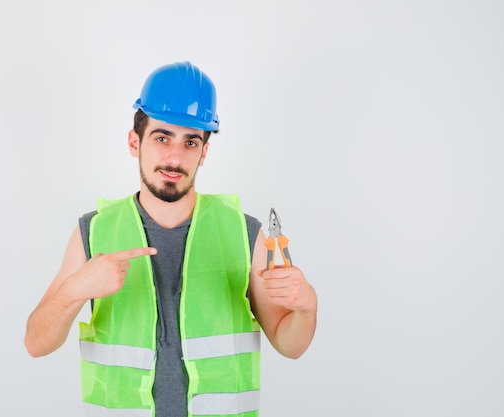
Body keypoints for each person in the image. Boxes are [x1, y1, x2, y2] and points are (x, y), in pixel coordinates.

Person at [24, 61, 317, 417]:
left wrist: (306, 306)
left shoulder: (243, 232)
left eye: (190, 142)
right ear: (135, 142)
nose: (175, 157)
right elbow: (36, 344)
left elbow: (290, 344)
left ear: (204, 152)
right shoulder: (96, 231)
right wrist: (76, 289)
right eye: (162, 137)